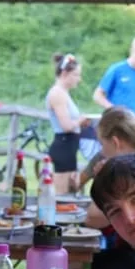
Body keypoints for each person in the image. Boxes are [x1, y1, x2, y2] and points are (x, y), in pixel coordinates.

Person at [81, 106, 135, 269]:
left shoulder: (128, 171)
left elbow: (93, 219)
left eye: (103, 145)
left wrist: (103, 179)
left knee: (80, 267)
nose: (102, 152)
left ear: (116, 142)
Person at [45, 54, 95, 193]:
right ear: (65, 73)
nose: (78, 79)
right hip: (63, 146)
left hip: (70, 146)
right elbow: (66, 125)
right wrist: (80, 120)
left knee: (70, 192)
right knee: (61, 194)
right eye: (76, 75)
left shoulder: (64, 93)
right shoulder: (57, 94)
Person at [92, 33, 135, 117]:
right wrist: (113, 109)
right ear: (131, 50)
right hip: (116, 120)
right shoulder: (117, 70)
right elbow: (97, 96)